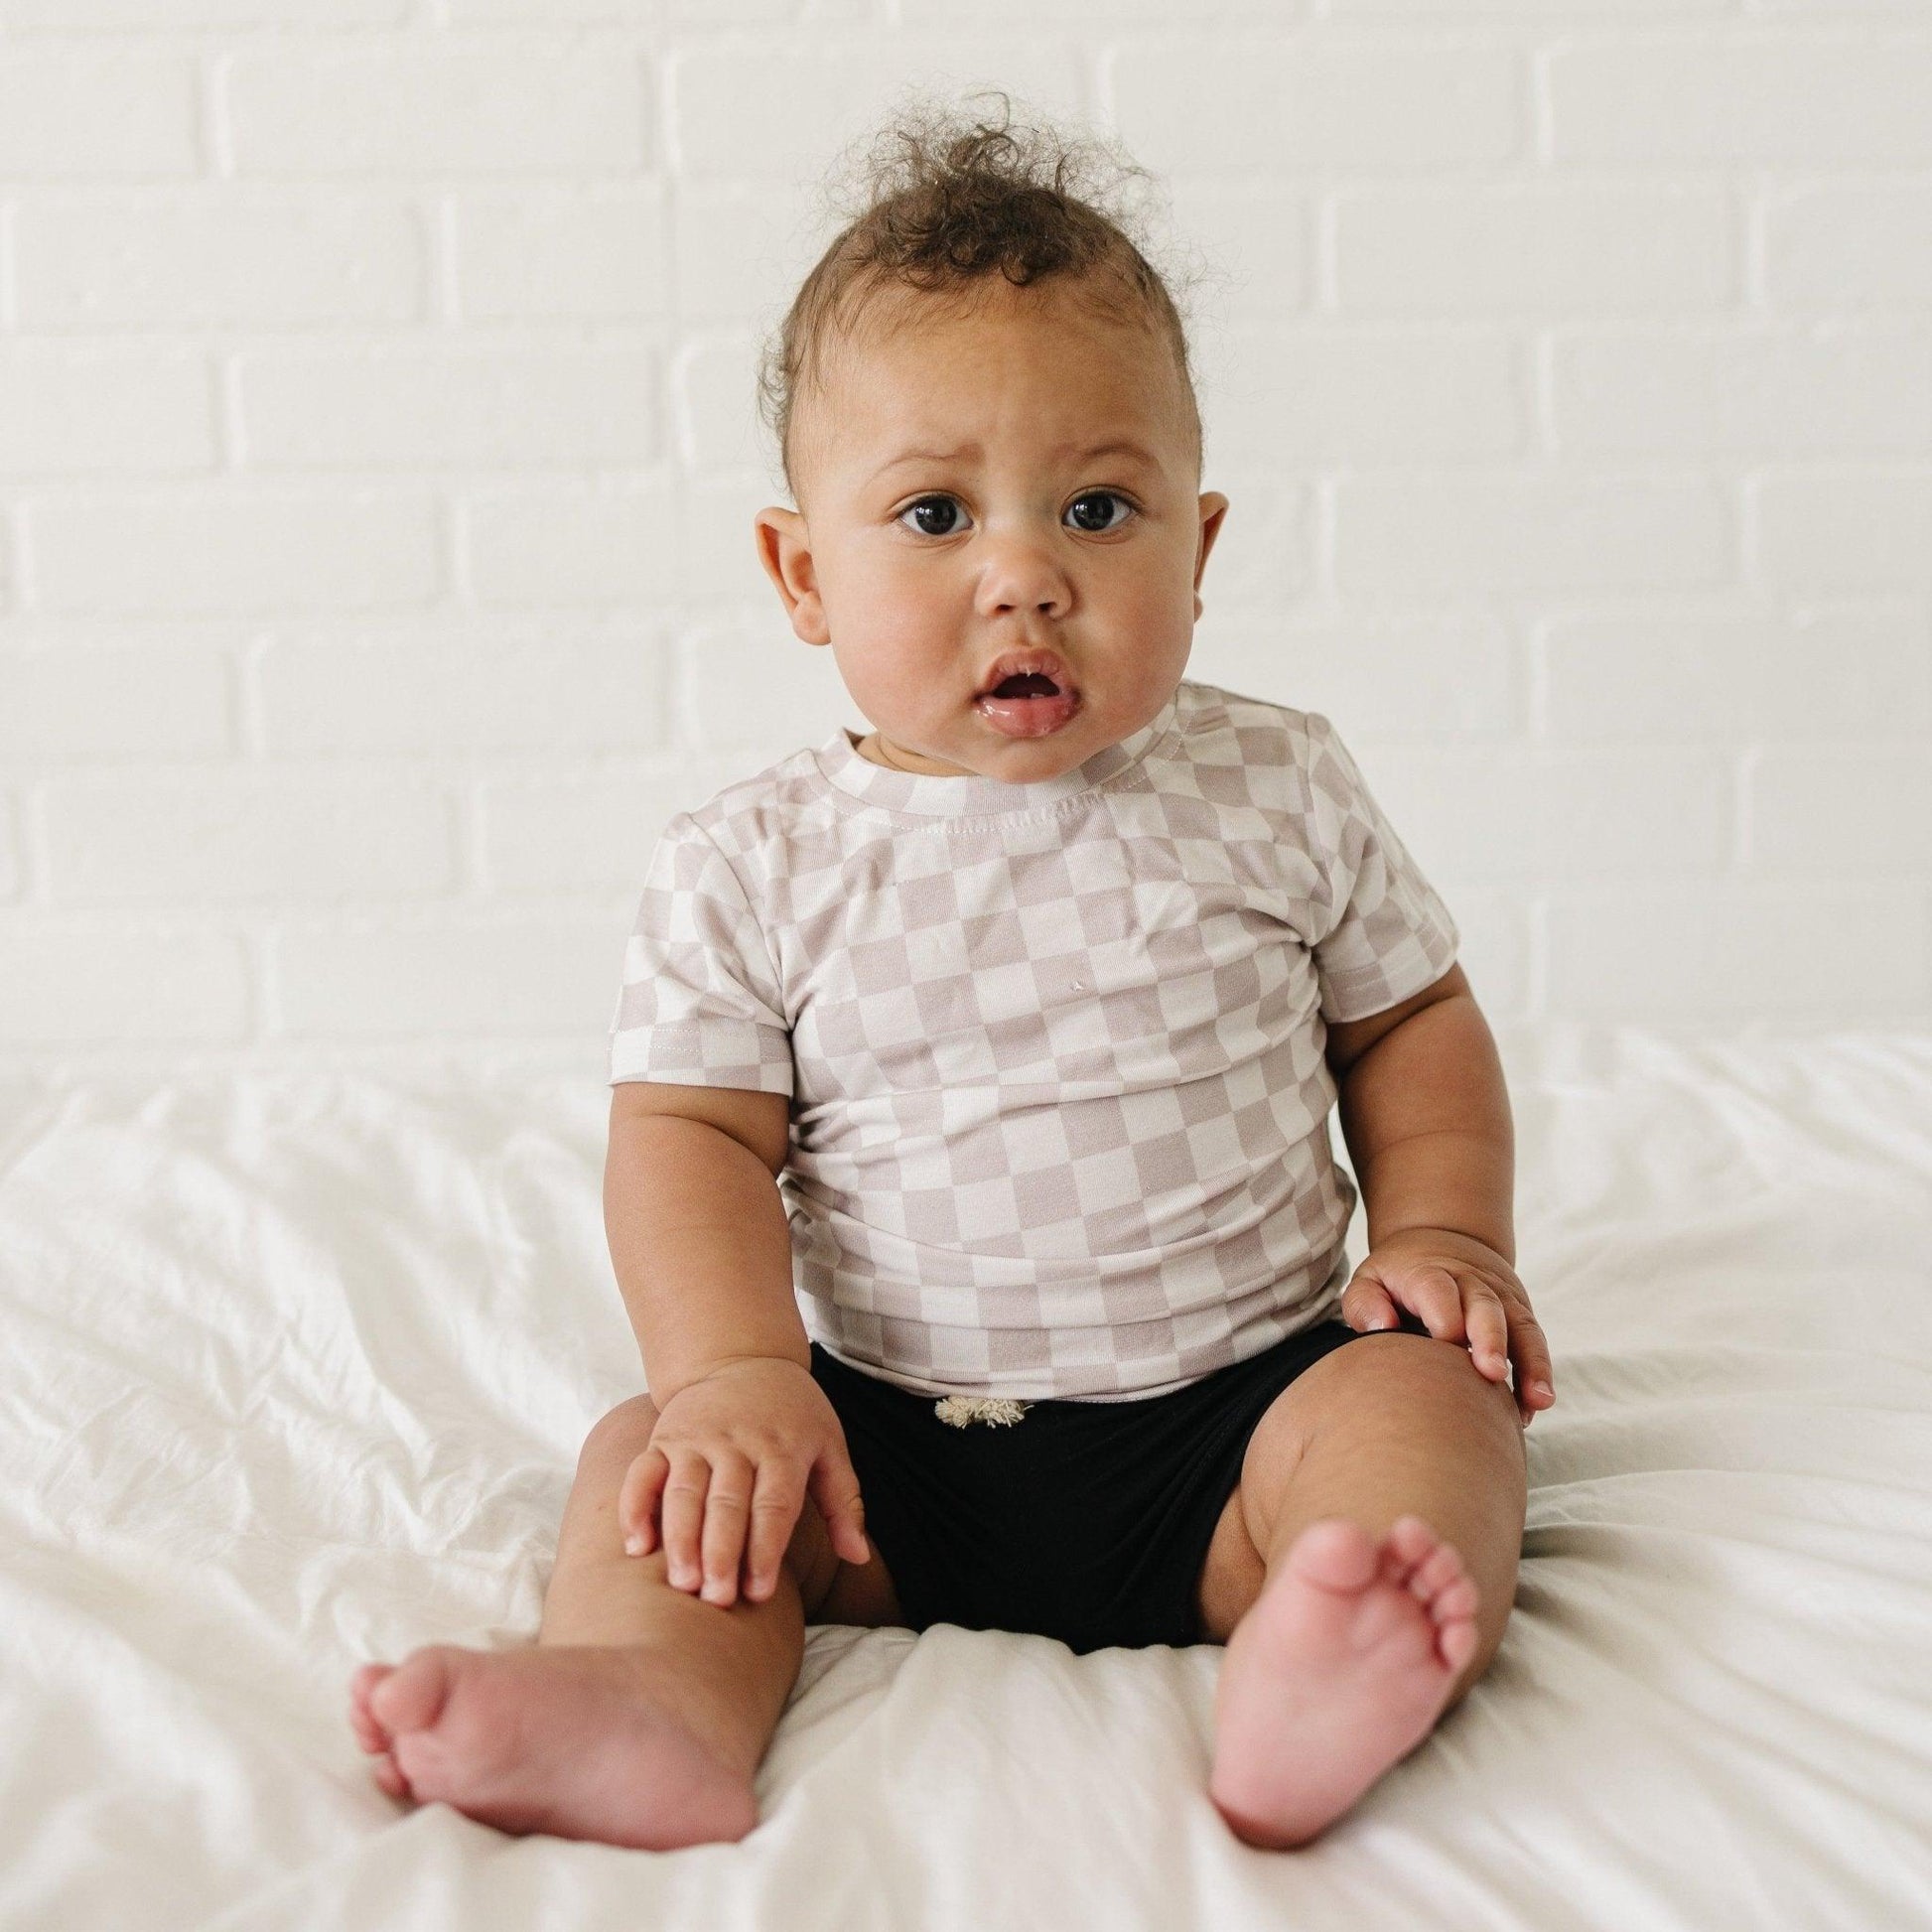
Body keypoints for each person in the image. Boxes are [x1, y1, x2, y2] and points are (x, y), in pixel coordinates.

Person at [348, 91, 1556, 1855]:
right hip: (880, 1460)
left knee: (1422, 1415)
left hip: (1241, 1419)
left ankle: (1331, 1643)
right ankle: (660, 1699)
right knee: (653, 1468)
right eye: (930, 514)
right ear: (799, 572)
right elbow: (686, 1132)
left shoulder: (1276, 782)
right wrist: (737, 1375)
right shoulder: (748, 860)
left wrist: (1445, 1235)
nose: (1023, 576)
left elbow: (1410, 1023)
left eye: (1095, 505)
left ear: (1197, 553)